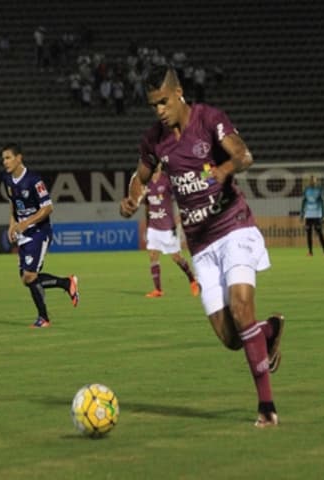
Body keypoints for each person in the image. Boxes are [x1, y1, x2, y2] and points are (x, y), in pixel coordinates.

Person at [120, 65, 285, 428]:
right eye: (153, 105)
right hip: (200, 245)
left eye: (163, 101)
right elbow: (140, 177)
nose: (159, 110)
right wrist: (131, 199)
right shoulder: (154, 140)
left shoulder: (209, 119)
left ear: (178, 94)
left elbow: (243, 155)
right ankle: (269, 331)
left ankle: (266, 408)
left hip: (234, 226)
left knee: (242, 309)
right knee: (230, 338)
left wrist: (223, 171)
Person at [1, 142, 79, 328]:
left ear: (19, 158)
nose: (5, 162)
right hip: (23, 233)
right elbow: (13, 205)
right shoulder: (7, 180)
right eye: (3, 158)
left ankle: (44, 318)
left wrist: (25, 223)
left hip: (39, 232)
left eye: (8, 157)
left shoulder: (34, 180)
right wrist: (12, 226)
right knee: (27, 279)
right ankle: (66, 284)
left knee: (29, 277)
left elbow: (48, 208)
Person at [141, 163, 199, 298]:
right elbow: (147, 206)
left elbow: (181, 197)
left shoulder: (167, 180)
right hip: (154, 226)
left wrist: (180, 216)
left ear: (160, 166)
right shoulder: (147, 183)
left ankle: (192, 280)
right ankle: (158, 290)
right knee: (152, 255)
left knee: (176, 257)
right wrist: (148, 223)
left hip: (168, 227)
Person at [300, 175, 324, 256]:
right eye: (311, 180)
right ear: (310, 181)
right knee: (309, 234)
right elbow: (304, 201)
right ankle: (310, 252)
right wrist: (302, 214)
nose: (312, 181)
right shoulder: (306, 190)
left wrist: (323, 215)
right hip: (308, 215)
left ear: (316, 181)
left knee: (319, 232)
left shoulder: (319, 190)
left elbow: (322, 202)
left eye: (314, 180)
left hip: (317, 215)